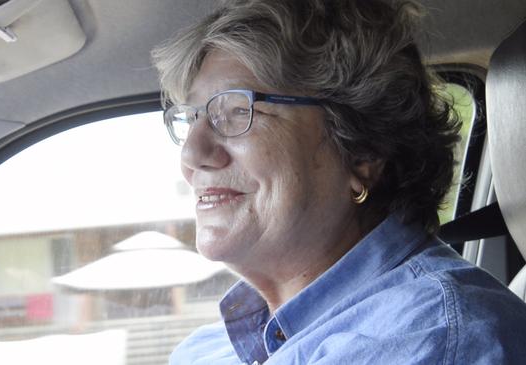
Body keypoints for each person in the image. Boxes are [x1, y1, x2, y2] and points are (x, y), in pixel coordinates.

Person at [151, 0, 526, 363]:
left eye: (237, 111)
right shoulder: (208, 348)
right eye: (192, 116)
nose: (191, 155)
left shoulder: (431, 338)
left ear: (362, 152)